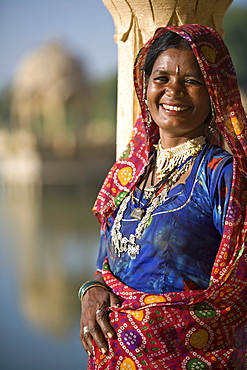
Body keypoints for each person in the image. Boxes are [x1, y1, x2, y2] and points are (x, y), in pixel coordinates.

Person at [79, 24, 247, 369]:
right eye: (162, 78)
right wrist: (89, 291)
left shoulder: (221, 176)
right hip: (114, 358)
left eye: (191, 81)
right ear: (146, 87)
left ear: (213, 90)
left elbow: (238, 289)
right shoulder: (127, 173)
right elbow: (103, 269)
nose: (173, 91)